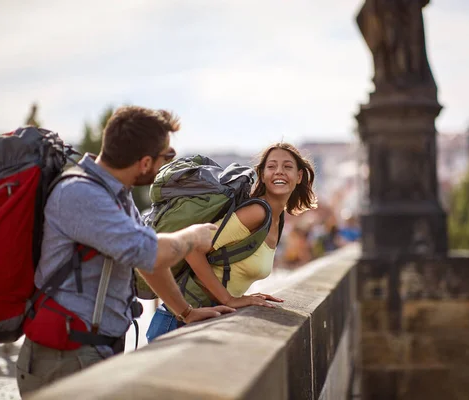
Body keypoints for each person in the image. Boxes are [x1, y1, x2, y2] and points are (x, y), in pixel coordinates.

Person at [16, 106, 235, 396]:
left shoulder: (113, 192)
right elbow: (150, 252)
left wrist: (186, 312)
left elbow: (147, 263)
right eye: (166, 157)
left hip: (88, 351)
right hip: (65, 356)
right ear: (145, 162)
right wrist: (192, 237)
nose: (164, 165)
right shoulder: (83, 194)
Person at [146, 142, 317, 341]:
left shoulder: (277, 220)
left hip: (202, 317)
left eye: (287, 166)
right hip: (180, 319)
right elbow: (192, 249)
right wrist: (229, 299)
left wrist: (242, 296)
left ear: (299, 176)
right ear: (262, 175)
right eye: (271, 167)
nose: (279, 172)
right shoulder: (257, 213)